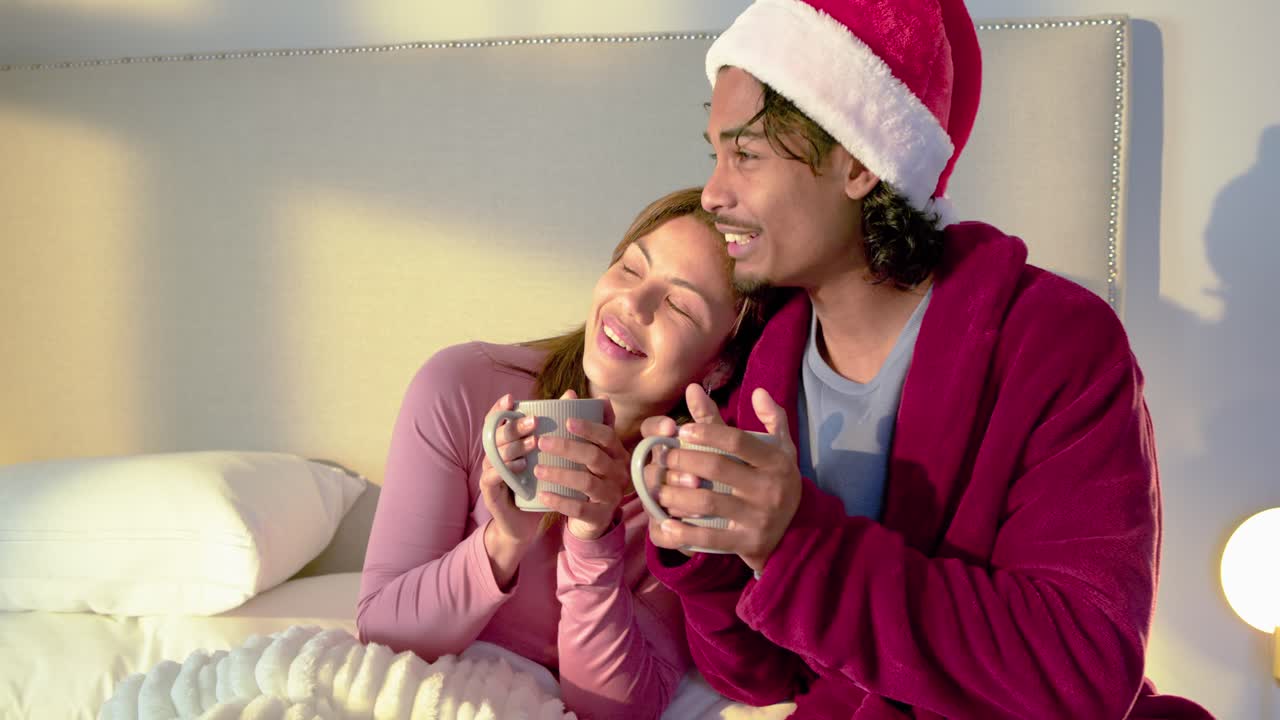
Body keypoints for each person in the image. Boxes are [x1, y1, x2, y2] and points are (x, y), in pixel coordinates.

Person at [637, 1, 1215, 718]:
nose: (713, 193)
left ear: (856, 163)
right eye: (715, 154)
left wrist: (799, 544)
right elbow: (756, 680)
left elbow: (1083, 672)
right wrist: (708, 548)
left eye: (745, 156)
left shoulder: (1056, 346)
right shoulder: (762, 370)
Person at [357, 187, 766, 719]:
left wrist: (593, 538)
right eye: (631, 269)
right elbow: (380, 627)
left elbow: (614, 710)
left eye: (678, 305)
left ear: (720, 366)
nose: (631, 305)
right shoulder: (462, 386)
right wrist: (502, 540)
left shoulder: (689, 487)